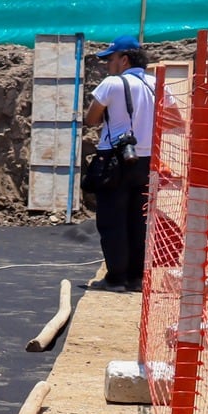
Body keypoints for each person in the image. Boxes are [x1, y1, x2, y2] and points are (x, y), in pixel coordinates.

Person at [84, 37, 157, 291]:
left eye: (111, 59)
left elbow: (91, 119)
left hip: (114, 159)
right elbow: (174, 119)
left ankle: (116, 278)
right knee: (138, 220)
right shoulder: (156, 84)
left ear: (124, 60)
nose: (108, 65)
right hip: (146, 160)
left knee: (113, 220)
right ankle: (136, 278)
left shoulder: (112, 84)